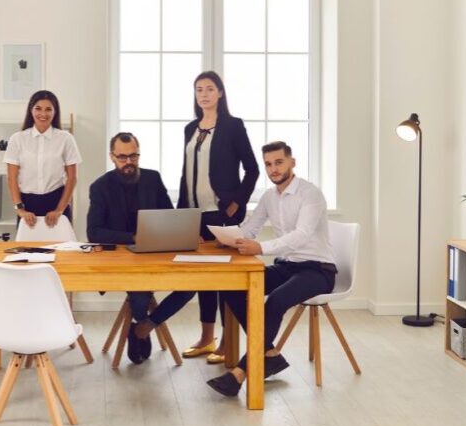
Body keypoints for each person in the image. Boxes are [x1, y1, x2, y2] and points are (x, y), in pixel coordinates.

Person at [206, 141, 336, 397]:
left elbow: (301, 235)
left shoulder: (311, 194)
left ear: (292, 162)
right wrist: (228, 238)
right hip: (287, 266)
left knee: (275, 301)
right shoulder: (269, 197)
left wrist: (261, 248)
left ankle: (240, 372)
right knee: (232, 288)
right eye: (268, 164)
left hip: (318, 270)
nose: (273, 169)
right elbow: (250, 228)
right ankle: (270, 354)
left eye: (279, 162)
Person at [86, 132, 195, 364]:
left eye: (134, 156)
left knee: (192, 284)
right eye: (122, 157)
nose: (129, 162)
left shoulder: (152, 179)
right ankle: (139, 328)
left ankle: (144, 326)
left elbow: (170, 216)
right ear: (112, 157)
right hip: (121, 260)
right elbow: (93, 232)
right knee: (140, 289)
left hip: (154, 253)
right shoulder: (100, 186)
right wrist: (133, 237)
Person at [178, 70, 259, 363]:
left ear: (220, 93)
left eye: (210, 89)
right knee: (204, 278)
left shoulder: (233, 126)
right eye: (199, 89)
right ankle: (206, 338)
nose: (204, 94)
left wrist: (237, 202)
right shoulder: (190, 128)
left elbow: (252, 169)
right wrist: (183, 214)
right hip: (195, 212)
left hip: (223, 212)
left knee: (226, 279)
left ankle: (228, 341)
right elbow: (186, 173)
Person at [4, 90, 81, 228]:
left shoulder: (66, 139)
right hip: (28, 205)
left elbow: (72, 178)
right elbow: (11, 178)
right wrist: (20, 210)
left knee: (61, 242)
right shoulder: (17, 139)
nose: (43, 114)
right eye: (38, 109)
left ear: (55, 112)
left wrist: (59, 210)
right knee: (27, 242)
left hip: (57, 202)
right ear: (31, 110)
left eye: (48, 109)